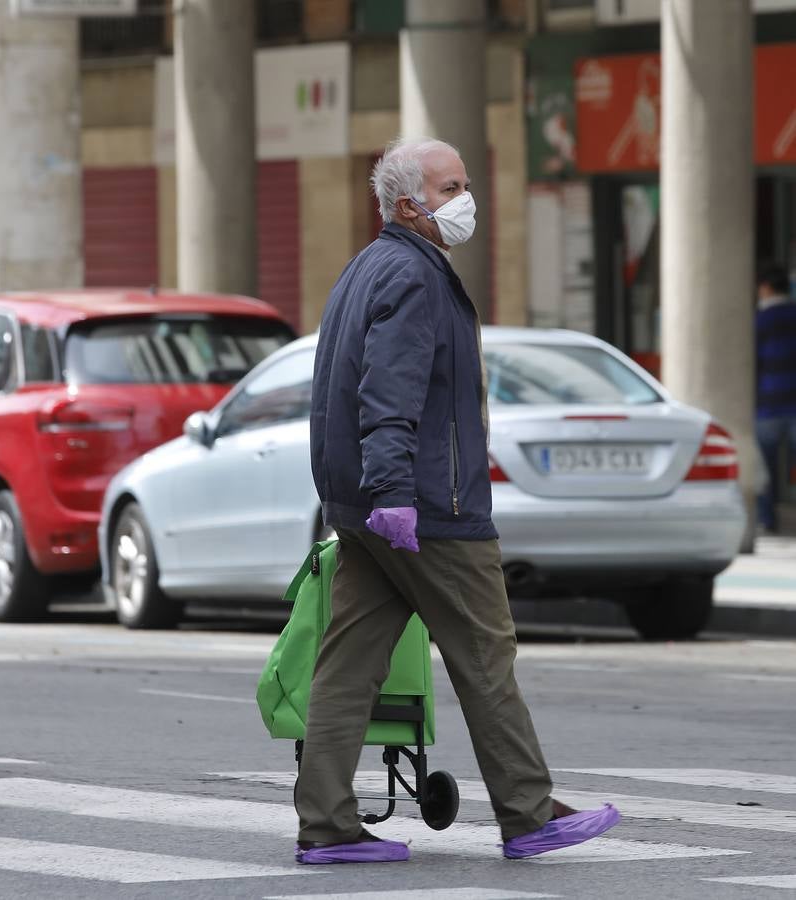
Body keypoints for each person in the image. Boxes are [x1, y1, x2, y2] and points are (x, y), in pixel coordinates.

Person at [294, 137, 621, 865]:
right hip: (428, 509)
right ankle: (529, 813)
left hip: (367, 512)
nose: (465, 198)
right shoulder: (412, 278)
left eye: (464, 183)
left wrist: (371, 498)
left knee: (348, 665)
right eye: (450, 187)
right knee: (485, 654)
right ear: (408, 204)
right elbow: (387, 397)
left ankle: (325, 823)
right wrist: (395, 493)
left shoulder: (367, 268)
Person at [755, 264, 796, 533]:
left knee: (764, 469)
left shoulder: (760, 321)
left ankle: (767, 520)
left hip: (768, 404)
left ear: (766, 288)